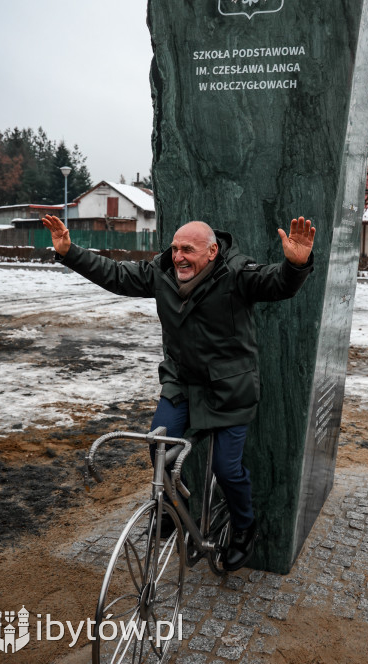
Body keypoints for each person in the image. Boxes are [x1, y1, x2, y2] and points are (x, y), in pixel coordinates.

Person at [43, 213, 315, 570]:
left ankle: (245, 528)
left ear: (213, 251)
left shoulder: (237, 274)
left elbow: (276, 283)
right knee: (159, 448)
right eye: (174, 248)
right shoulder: (161, 273)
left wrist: (296, 265)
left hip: (229, 388)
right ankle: (173, 510)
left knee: (227, 468)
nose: (179, 256)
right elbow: (116, 275)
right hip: (182, 381)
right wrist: (69, 251)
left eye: (188, 249)